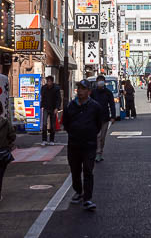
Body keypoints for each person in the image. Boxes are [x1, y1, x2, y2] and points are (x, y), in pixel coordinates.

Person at [63, 80, 103, 211]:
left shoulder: (95, 106)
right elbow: (66, 123)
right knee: (75, 170)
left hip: (89, 144)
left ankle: (88, 198)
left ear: (89, 91)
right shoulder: (70, 106)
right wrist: (74, 132)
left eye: (83, 89)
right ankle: (78, 191)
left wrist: (90, 134)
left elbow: (98, 124)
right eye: (79, 88)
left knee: (87, 170)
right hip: (74, 143)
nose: (80, 91)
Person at [90, 75, 116, 162]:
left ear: (104, 82)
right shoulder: (93, 92)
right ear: (97, 82)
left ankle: (100, 153)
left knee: (102, 137)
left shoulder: (108, 92)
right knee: (97, 136)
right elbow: (89, 104)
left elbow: (112, 104)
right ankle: (97, 153)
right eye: (99, 81)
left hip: (105, 117)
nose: (100, 82)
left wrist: (113, 116)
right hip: (95, 118)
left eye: (102, 80)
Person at [40, 76, 62, 146]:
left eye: (50, 81)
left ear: (52, 82)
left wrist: (57, 108)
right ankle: (44, 140)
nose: (49, 83)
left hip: (53, 108)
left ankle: (52, 140)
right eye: (48, 81)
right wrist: (42, 106)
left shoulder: (56, 88)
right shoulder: (44, 88)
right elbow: (42, 97)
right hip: (46, 107)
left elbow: (59, 99)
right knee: (44, 124)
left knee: (52, 125)